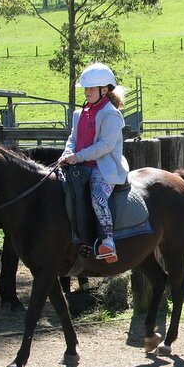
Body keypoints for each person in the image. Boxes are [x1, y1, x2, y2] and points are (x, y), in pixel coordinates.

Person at [59, 62, 129, 263]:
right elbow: (72, 138)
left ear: (104, 90)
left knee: (98, 197)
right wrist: (67, 153)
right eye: (86, 89)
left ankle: (108, 241)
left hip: (103, 169)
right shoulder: (79, 114)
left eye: (91, 88)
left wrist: (78, 157)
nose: (87, 92)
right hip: (79, 166)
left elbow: (105, 145)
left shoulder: (112, 115)